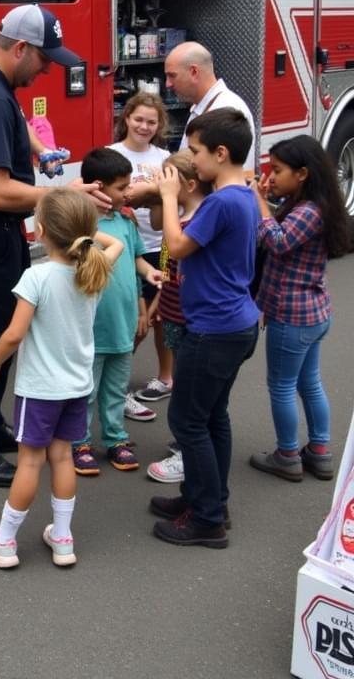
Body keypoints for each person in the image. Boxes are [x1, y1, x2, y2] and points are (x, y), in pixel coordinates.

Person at [0, 3, 103, 486]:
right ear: (21, 48)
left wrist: (37, 150)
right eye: (45, 59)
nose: (49, 68)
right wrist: (62, 193)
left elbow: (14, 119)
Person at [0, 188, 123, 569]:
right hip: (76, 387)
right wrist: (87, 230)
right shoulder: (94, 269)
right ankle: (63, 538)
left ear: (39, 230)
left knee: (30, 463)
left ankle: (3, 541)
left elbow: (14, 334)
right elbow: (115, 242)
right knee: (62, 457)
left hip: (39, 391)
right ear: (85, 231)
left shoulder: (35, 276)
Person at [150, 108, 260, 549]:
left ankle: (208, 518)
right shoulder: (244, 196)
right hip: (234, 323)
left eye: (195, 152)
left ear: (220, 152)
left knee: (188, 420)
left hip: (213, 328)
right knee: (213, 416)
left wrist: (170, 196)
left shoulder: (220, 202)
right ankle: (205, 498)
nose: (191, 161)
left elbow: (176, 246)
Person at [248, 135, 349, 482]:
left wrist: (260, 201)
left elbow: (277, 241)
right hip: (313, 313)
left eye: (277, 170)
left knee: (281, 385)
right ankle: (319, 451)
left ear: (303, 173)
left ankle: (287, 454)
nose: (271, 176)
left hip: (293, 316)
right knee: (309, 382)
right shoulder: (310, 202)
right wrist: (271, 196)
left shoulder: (308, 211)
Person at [70, 148, 162, 476]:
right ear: (98, 186)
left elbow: (135, 258)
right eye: (122, 187)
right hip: (91, 328)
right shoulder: (81, 222)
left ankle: (115, 438)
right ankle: (78, 441)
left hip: (122, 325)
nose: (128, 193)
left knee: (114, 389)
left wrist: (147, 278)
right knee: (87, 390)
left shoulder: (126, 221)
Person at [145, 149, 211, 484]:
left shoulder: (194, 222)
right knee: (186, 386)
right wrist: (158, 303)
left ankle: (189, 453)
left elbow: (178, 248)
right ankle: (189, 443)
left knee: (189, 395)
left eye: (168, 178)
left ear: (187, 184)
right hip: (172, 310)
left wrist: (166, 197)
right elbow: (171, 269)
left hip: (190, 320)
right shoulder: (179, 212)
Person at [109, 92, 172, 417]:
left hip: (160, 246)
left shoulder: (165, 157)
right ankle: (116, 387)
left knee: (163, 317)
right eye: (139, 119)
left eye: (151, 121)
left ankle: (165, 377)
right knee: (134, 320)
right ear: (126, 119)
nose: (144, 126)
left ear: (160, 124)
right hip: (126, 248)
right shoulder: (110, 154)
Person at [163, 42, 257, 172]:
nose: (168, 84)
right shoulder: (203, 106)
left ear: (194, 72)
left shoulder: (227, 110)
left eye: (172, 75)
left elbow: (233, 175)